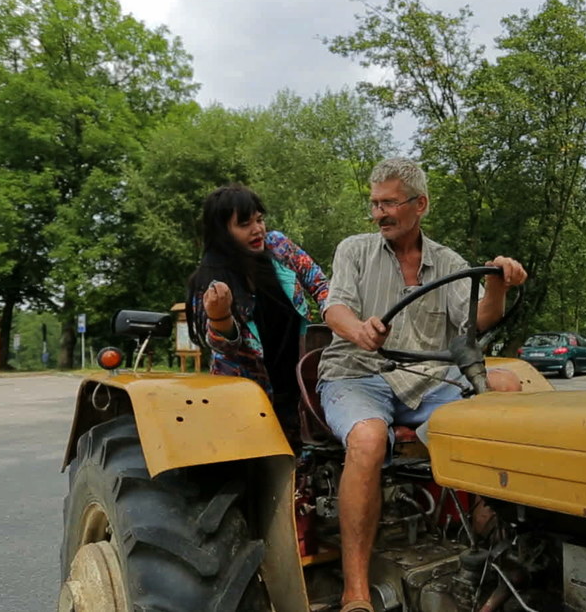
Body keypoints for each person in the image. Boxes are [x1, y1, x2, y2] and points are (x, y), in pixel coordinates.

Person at [318, 157, 526, 612]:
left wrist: (498, 282)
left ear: (420, 205)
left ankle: (496, 533)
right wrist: (358, 331)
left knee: (506, 386)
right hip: (356, 374)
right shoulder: (353, 250)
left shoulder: (448, 261)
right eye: (374, 204)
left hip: (423, 380)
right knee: (369, 438)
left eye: (389, 203)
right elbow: (334, 309)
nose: (379, 214)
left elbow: (476, 321)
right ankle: (355, 592)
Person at [185, 184, 330, 426]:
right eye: (245, 225)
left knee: (306, 456)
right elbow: (224, 350)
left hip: (297, 380)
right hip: (245, 395)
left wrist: (338, 315)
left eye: (259, 220)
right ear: (222, 232)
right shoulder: (207, 282)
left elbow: (319, 283)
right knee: (256, 462)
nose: (257, 230)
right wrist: (220, 319)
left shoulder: (279, 246)